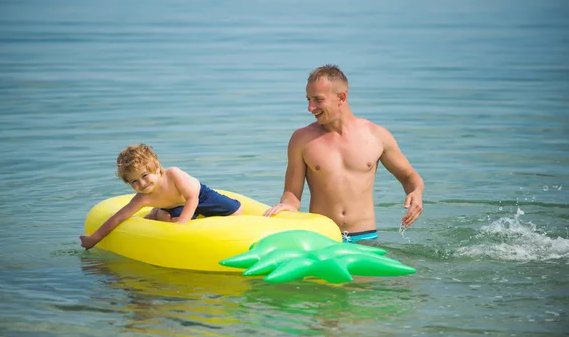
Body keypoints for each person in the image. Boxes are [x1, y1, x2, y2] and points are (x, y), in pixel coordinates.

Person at [263, 65, 424, 243]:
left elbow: (409, 176)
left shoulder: (376, 135)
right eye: (308, 99)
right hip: (324, 238)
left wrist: (416, 192)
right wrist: (287, 207)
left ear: (341, 97)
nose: (310, 107)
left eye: (317, 100)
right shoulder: (301, 139)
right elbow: (292, 193)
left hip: (366, 237)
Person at [80, 144, 243, 250]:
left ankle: (161, 213)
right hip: (174, 206)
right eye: (134, 181)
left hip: (199, 195)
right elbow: (118, 217)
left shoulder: (173, 174)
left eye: (144, 175)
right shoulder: (142, 198)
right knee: (166, 218)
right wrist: (94, 238)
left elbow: (192, 198)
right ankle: (157, 213)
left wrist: (182, 223)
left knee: (237, 212)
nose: (142, 184)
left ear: (157, 168)